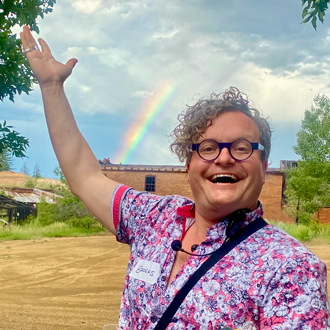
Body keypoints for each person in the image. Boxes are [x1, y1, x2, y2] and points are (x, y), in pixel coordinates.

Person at [20, 26, 330, 330]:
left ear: (264, 167)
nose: (224, 158)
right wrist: (51, 87)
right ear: (188, 166)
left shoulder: (290, 269)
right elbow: (84, 175)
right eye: (208, 148)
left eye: (241, 147)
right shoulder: (153, 218)